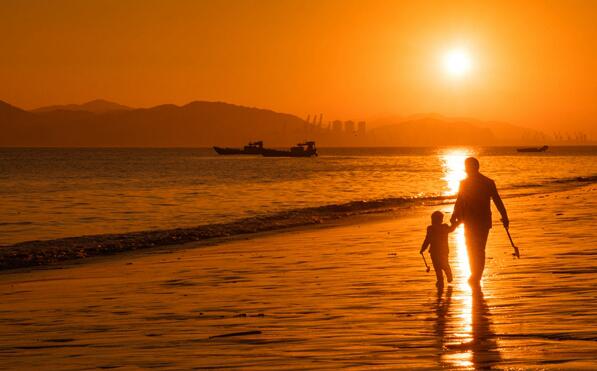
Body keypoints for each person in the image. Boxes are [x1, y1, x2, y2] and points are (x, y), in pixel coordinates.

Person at [450, 157, 509, 286]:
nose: (466, 169)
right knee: (477, 248)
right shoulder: (487, 182)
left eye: (467, 166)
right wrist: (504, 216)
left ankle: (476, 274)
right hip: (478, 220)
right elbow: (460, 201)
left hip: (473, 220)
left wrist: (455, 215)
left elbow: (460, 201)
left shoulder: (480, 183)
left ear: (471, 167)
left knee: (474, 248)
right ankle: (476, 274)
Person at [420, 210, 458, 289]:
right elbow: (427, 240)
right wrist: (423, 248)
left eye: (434, 220)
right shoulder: (433, 228)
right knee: (438, 267)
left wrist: (456, 223)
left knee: (443, 265)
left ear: (440, 220)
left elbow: (427, 240)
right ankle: (440, 280)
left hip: (441, 251)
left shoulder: (442, 227)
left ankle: (447, 275)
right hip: (435, 252)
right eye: (432, 220)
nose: (433, 221)